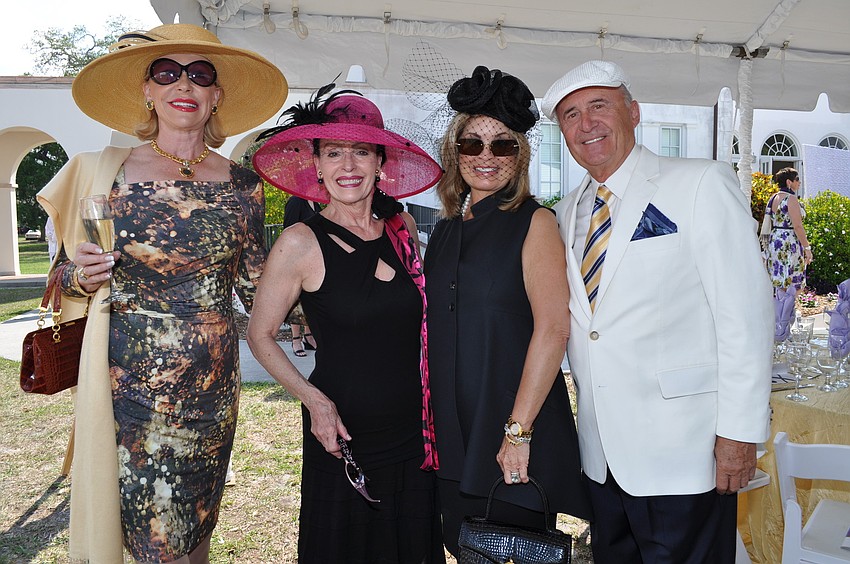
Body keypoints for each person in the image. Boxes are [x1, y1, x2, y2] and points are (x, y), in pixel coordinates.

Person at [36, 24, 286, 563]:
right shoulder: (107, 174)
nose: (185, 85)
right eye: (167, 73)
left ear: (216, 95)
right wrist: (80, 274)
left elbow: (256, 286)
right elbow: (59, 279)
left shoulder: (243, 185)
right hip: (132, 387)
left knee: (196, 527)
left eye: (200, 75)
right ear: (147, 90)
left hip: (214, 387)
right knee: (157, 542)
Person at [540, 60, 774, 562]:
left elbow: (745, 317)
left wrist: (740, 433)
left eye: (599, 106)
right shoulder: (565, 212)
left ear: (635, 112)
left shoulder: (700, 183)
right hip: (601, 461)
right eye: (571, 115)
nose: (587, 124)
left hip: (686, 455)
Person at [248, 87, 445, 563]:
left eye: (361, 152)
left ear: (381, 162)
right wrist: (314, 402)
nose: (348, 166)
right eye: (334, 153)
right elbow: (260, 334)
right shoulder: (300, 242)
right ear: (316, 164)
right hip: (342, 434)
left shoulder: (404, 230)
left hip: (414, 433)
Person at [424, 66, 592, 556]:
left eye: (503, 145)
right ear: (454, 154)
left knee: (511, 550)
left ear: (520, 156)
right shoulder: (446, 229)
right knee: (464, 547)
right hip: (452, 435)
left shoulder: (535, 223)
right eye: (472, 144)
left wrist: (517, 433)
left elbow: (553, 329)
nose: (486, 157)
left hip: (510, 435)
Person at [763, 167, 812, 299]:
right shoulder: (791, 199)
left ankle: (779, 314)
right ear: (789, 182)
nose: (799, 182)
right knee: (793, 283)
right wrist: (807, 248)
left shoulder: (773, 198)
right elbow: (798, 226)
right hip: (789, 242)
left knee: (779, 280)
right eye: (797, 179)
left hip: (776, 241)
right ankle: (787, 315)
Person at [282, 195, 320, 356]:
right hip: (296, 259)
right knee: (296, 300)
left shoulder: (316, 202)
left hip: (312, 258)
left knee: (310, 298)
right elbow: (288, 231)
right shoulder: (295, 202)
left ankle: (308, 336)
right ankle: (295, 339)